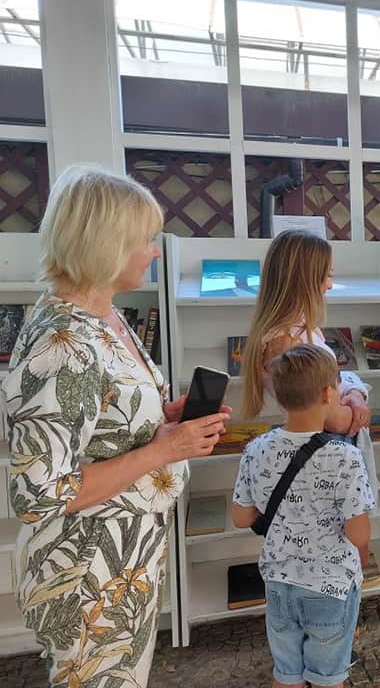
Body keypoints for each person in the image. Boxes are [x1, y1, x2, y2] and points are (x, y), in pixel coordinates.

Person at [1, 165, 230, 687]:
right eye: (145, 240)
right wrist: (161, 450)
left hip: (125, 557)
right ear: (106, 244)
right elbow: (40, 494)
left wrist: (164, 419)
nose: (155, 252)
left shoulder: (104, 314)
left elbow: (102, 419)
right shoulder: (63, 345)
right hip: (86, 570)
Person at [232, 344, 375, 688]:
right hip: (330, 588)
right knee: (328, 677)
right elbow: (358, 535)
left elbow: (241, 517)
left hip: (279, 583)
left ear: (281, 398)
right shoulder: (345, 457)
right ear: (328, 394)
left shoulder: (256, 449)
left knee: (286, 672)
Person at [241, 229, 378, 500]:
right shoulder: (288, 342)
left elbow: (332, 384)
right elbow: (334, 420)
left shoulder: (295, 330)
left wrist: (352, 393)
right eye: (326, 276)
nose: (330, 285)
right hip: (323, 461)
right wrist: (357, 405)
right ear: (303, 280)